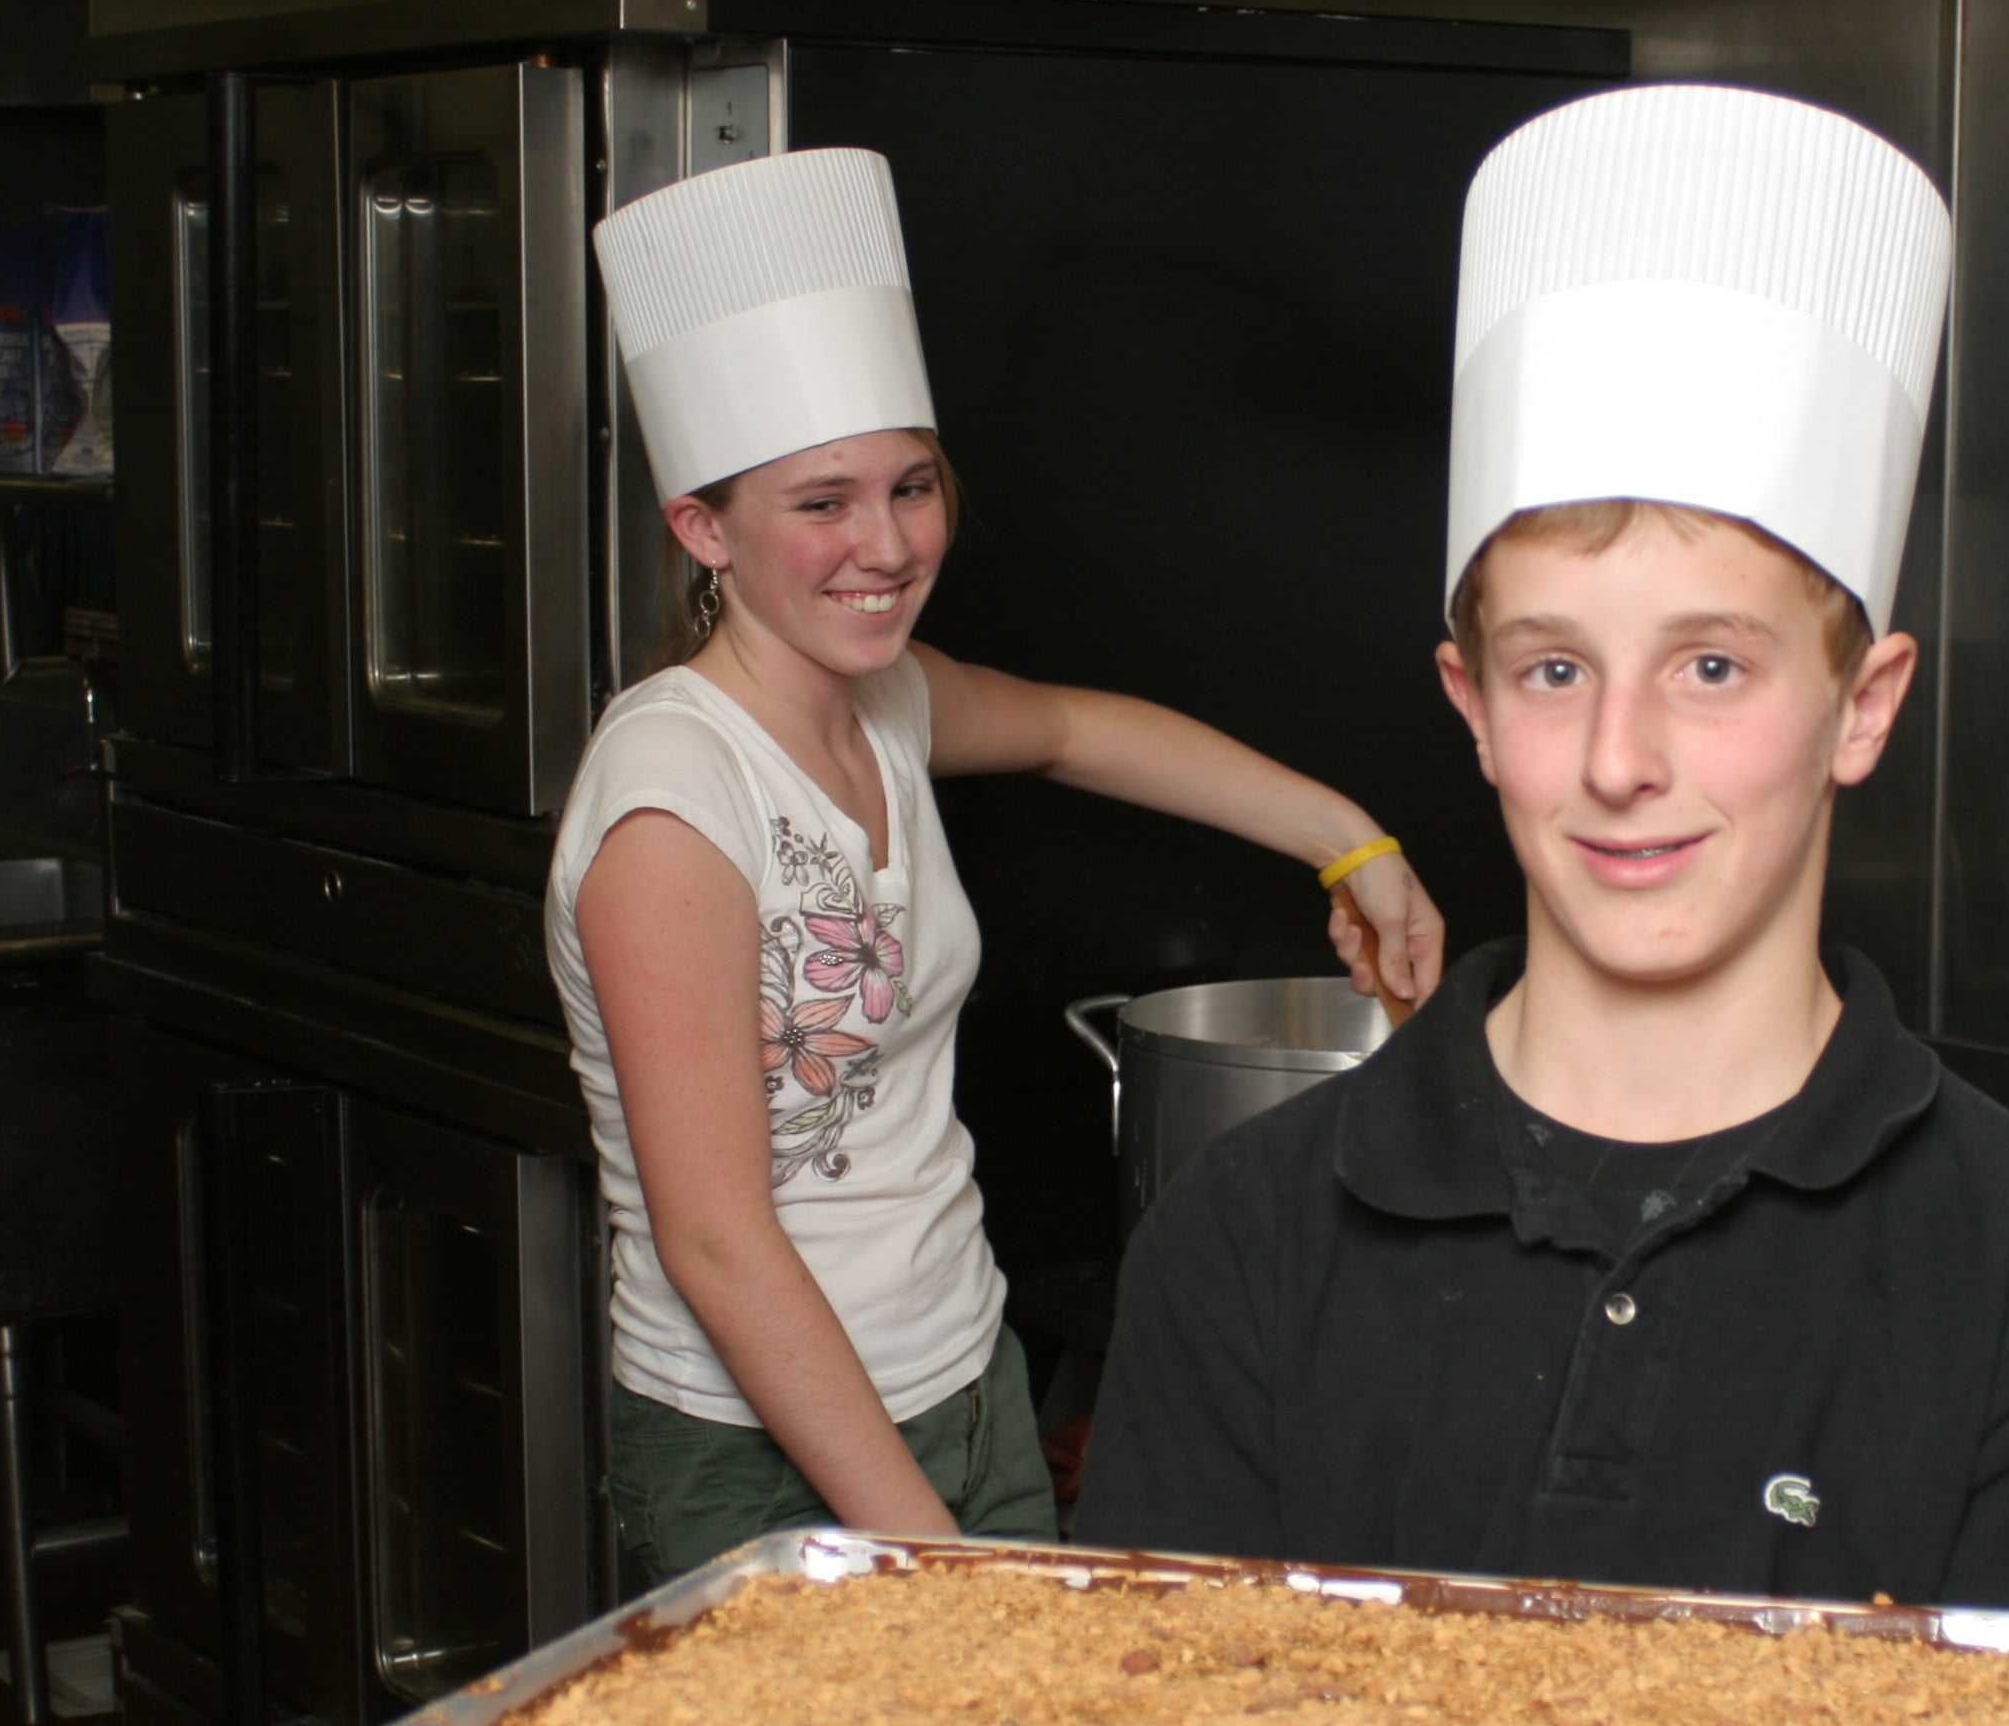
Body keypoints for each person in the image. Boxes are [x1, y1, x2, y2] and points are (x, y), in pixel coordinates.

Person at [1078, 85, 2009, 1726]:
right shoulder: (1250, 1240)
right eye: (1552, 667)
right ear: (1466, 702)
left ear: (1863, 702)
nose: (1619, 762)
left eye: (1713, 666)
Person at [550, 146, 1444, 1591]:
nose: (888, 546)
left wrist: (1354, 841)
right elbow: (715, 1241)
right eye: (822, 504)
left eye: (913, 487)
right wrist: (922, 1551)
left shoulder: (884, 702)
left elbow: (1080, 728)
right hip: (758, 1448)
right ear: (703, 529)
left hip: (967, 1382)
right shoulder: (675, 806)